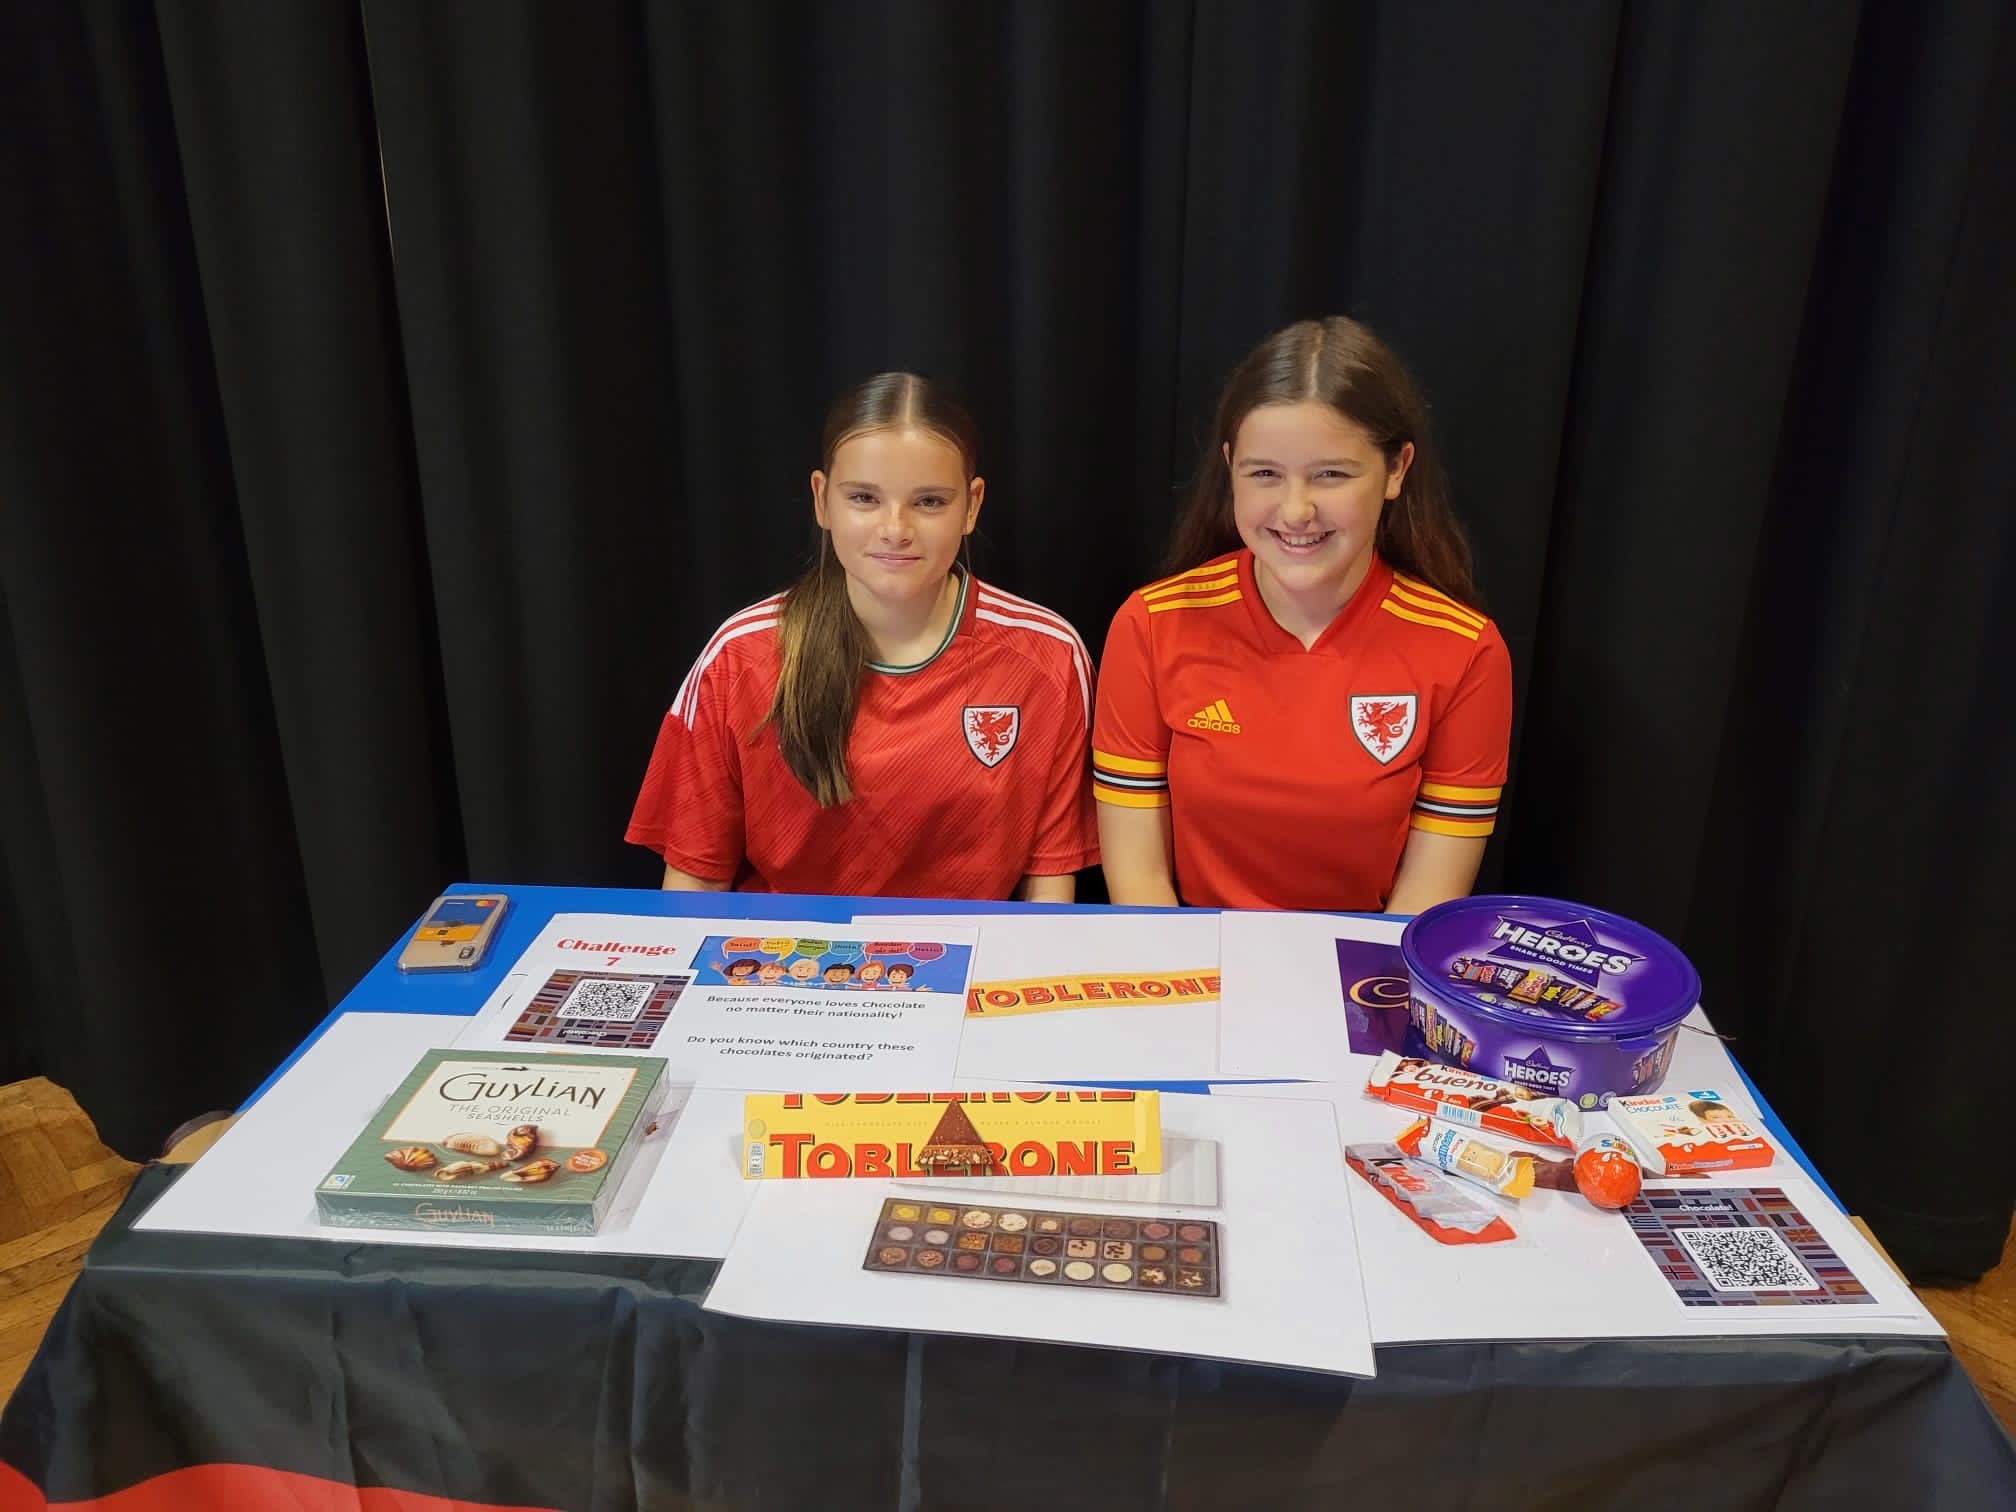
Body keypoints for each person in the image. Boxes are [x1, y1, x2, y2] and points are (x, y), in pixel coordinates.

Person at [1092, 317, 1511, 914]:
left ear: (1396, 471)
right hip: (1191, 960)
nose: (1296, 510)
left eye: (1331, 474)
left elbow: (1424, 902)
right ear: (1230, 467)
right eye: (1265, 473)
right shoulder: (1151, 624)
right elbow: (1139, 882)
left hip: (1365, 964)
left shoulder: (1467, 652)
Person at [628, 372, 1097, 900]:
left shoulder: (1048, 657)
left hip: (968, 949)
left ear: (972, 505)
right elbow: (694, 880)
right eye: (864, 498)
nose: (895, 529)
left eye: (929, 502)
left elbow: (1049, 896)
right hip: (781, 951)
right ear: (822, 499)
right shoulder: (739, 656)